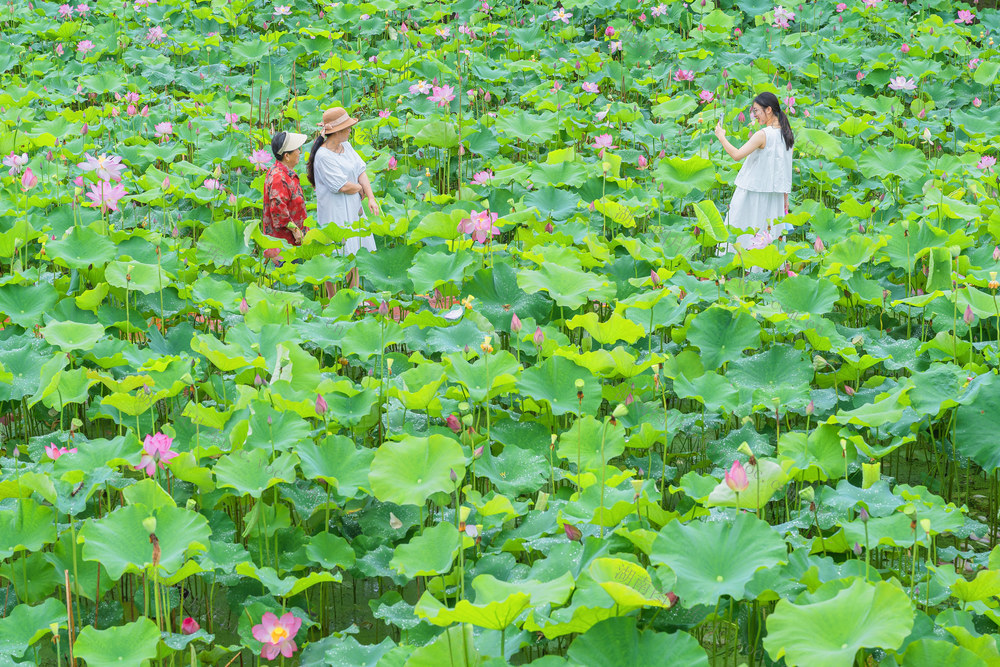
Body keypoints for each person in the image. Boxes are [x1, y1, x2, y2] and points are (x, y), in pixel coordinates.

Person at [306, 107, 380, 288]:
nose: (350, 130)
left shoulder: (346, 146)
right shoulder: (323, 156)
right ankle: (333, 300)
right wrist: (359, 187)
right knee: (334, 254)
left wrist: (370, 197)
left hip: (353, 208)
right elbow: (341, 186)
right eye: (347, 127)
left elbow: (360, 170)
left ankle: (353, 295)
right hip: (335, 211)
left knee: (354, 250)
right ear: (336, 131)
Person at [713, 91, 794, 251]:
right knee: (767, 238)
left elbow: (736, 155)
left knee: (742, 233)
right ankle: (762, 272)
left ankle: (737, 268)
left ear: (768, 110)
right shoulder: (787, 135)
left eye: (756, 110)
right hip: (776, 197)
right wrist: (785, 198)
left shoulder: (763, 135)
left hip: (752, 194)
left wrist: (721, 137)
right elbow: (785, 170)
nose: (754, 115)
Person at [262, 131, 309, 251]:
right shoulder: (278, 177)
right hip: (284, 245)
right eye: (296, 149)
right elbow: (278, 211)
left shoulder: (286, 173)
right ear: (286, 156)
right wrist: (295, 229)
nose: (299, 152)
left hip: (293, 242)